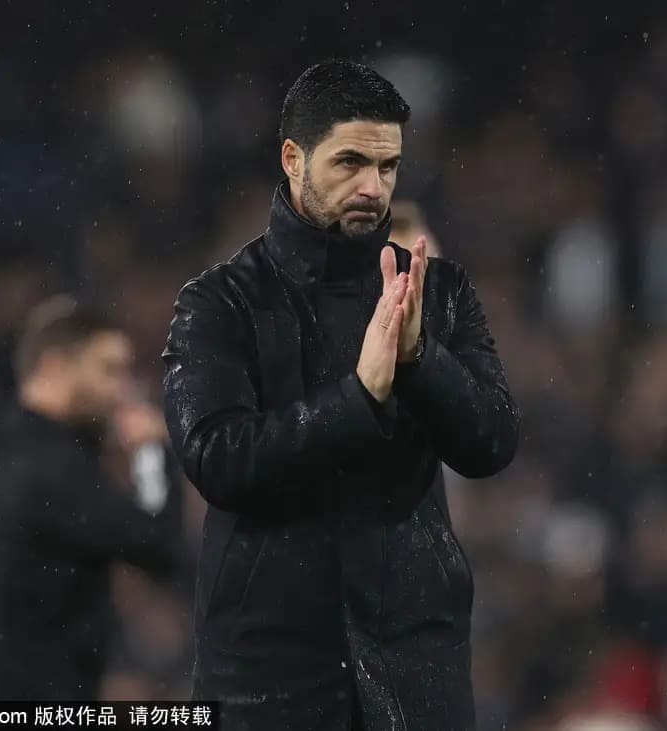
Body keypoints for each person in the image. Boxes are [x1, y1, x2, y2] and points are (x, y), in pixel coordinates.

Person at [162, 59, 520, 730]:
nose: (372, 187)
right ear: (293, 158)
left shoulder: (440, 291)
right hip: (270, 666)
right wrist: (358, 399)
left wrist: (420, 358)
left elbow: (493, 441)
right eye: (350, 162)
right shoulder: (219, 303)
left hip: (416, 657)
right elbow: (217, 459)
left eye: (388, 167)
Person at [0, 295, 183, 700]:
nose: (121, 390)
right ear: (54, 366)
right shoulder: (51, 466)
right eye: (108, 370)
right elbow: (159, 545)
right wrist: (150, 454)